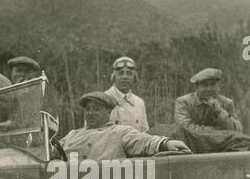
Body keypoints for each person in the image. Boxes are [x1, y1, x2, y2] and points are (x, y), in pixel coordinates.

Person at [60, 92, 190, 160]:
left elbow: (143, 141)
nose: (91, 113)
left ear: (108, 112)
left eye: (96, 109)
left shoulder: (119, 132)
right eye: (88, 109)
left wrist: (165, 143)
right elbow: (50, 151)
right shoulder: (73, 134)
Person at [175, 68, 242, 133]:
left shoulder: (227, 103)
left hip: (219, 142)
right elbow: (184, 128)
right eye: (204, 85)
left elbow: (237, 129)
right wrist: (216, 131)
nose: (209, 89)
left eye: (213, 84)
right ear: (197, 87)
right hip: (192, 141)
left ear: (218, 86)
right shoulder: (184, 102)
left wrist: (219, 111)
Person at [105, 57, 149, 132]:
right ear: (114, 76)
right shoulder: (102, 100)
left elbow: (144, 133)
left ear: (134, 77)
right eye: (121, 73)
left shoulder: (139, 103)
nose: (125, 77)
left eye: (129, 73)